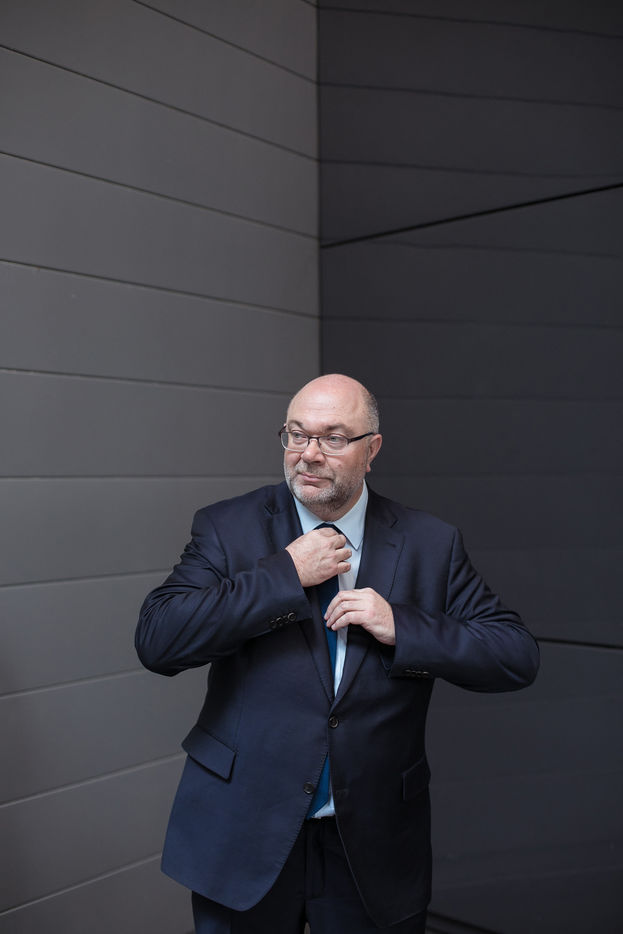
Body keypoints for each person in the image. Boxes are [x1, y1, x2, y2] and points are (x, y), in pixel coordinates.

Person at [135, 373, 539, 934]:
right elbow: (159, 640)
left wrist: (402, 626)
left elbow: (514, 655)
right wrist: (285, 574)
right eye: (296, 434)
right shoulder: (227, 527)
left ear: (372, 449)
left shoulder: (430, 543)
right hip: (244, 833)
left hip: (372, 845)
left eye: (333, 438)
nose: (308, 454)